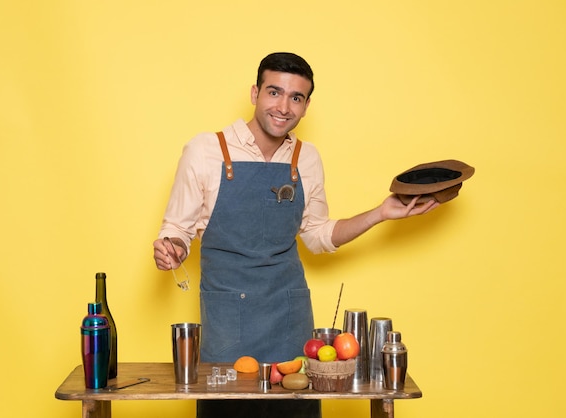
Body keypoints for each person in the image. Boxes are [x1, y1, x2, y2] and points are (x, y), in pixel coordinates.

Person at [153, 52, 438, 418]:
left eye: (296, 98)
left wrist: (381, 213)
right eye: (274, 92)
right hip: (228, 321)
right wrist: (172, 248)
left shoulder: (306, 158)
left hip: (289, 319)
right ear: (255, 93)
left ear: (305, 106)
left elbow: (318, 235)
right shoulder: (206, 151)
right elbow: (177, 230)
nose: (283, 107)